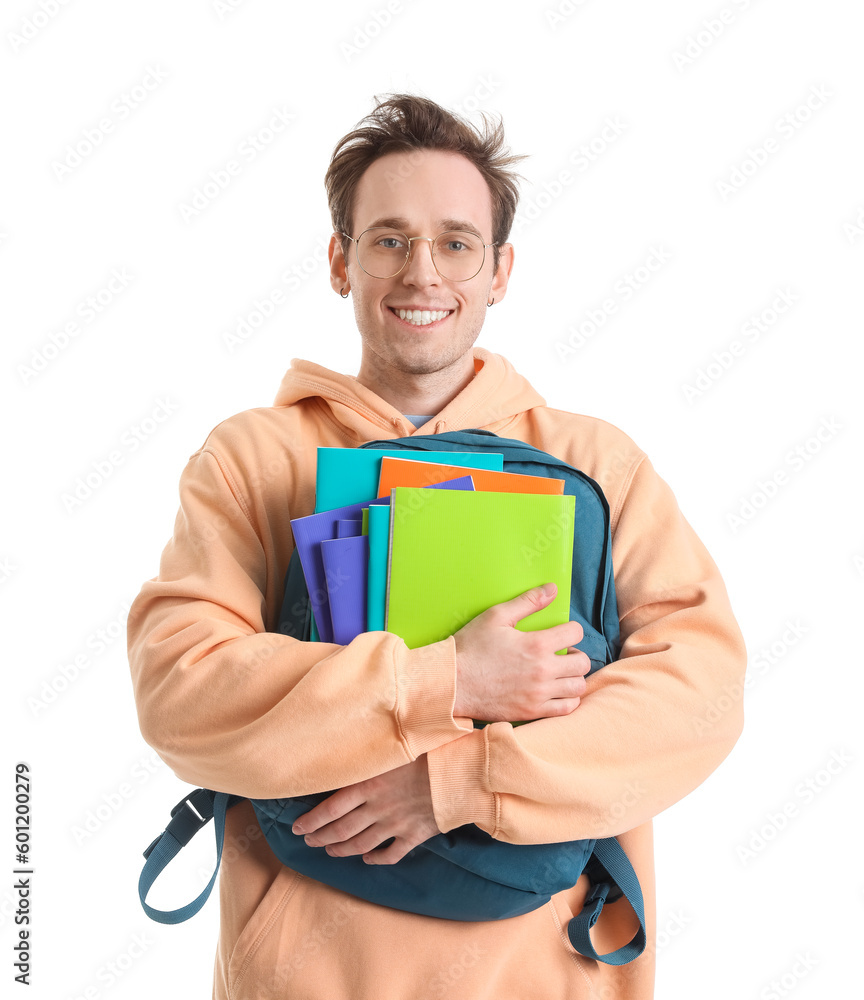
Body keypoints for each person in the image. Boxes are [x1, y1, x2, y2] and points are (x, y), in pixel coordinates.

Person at [127, 94, 746, 1000]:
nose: (423, 272)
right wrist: (447, 679)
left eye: (457, 243)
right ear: (342, 262)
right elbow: (181, 694)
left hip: (547, 973)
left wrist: (455, 784)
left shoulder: (596, 463)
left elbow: (703, 696)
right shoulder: (254, 458)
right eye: (388, 240)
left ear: (499, 271)